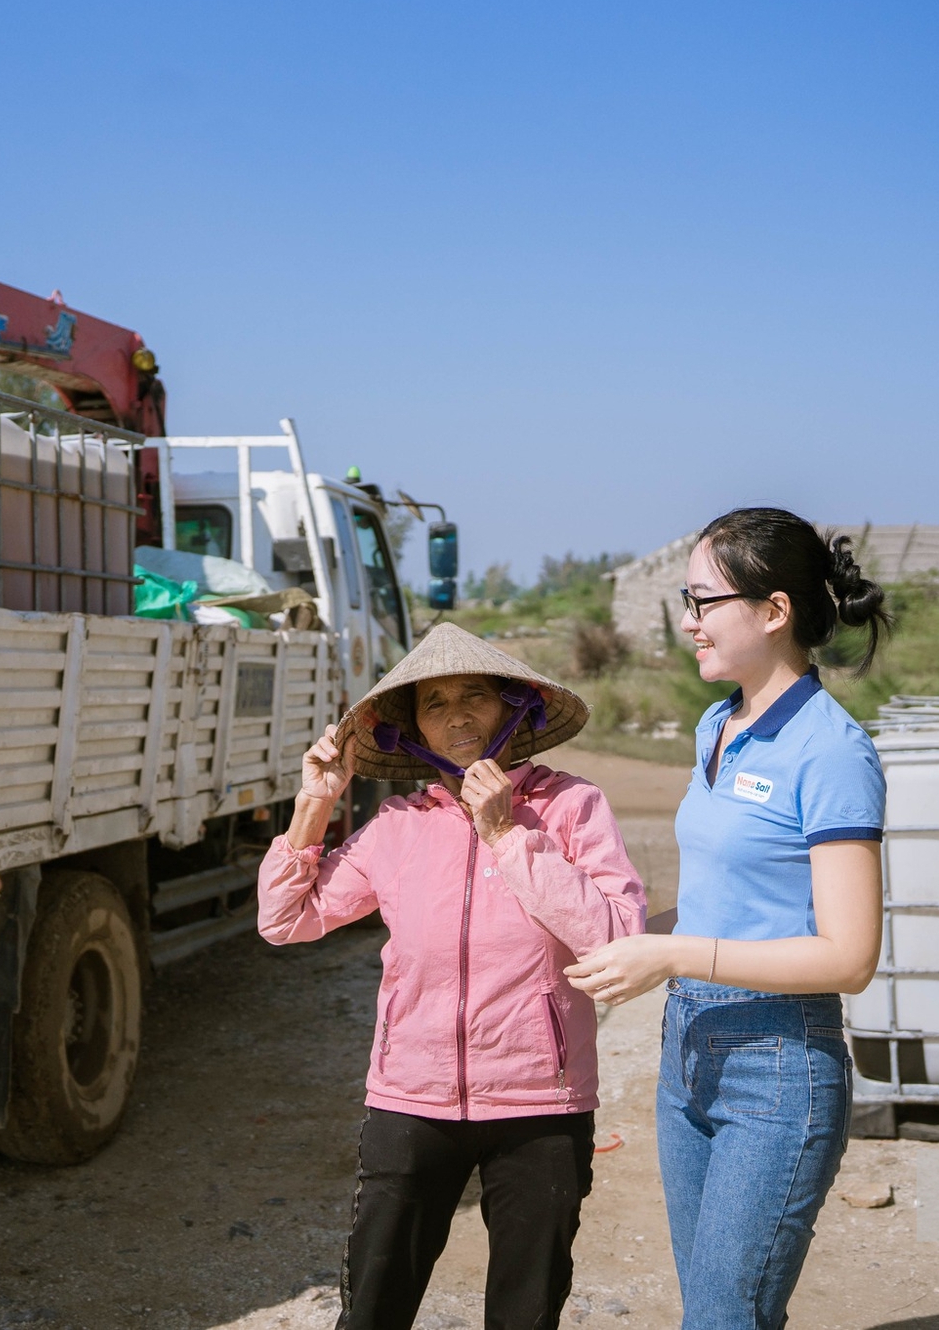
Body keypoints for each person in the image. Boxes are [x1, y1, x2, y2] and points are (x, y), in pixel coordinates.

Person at [257, 623, 647, 1330]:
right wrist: (314, 803)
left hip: (542, 1104)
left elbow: (616, 938)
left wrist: (507, 834)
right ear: (414, 729)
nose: (457, 714)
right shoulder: (398, 823)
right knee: (372, 1310)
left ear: (513, 709)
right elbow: (285, 918)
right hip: (411, 1101)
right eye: (435, 703)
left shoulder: (571, 807)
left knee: (524, 1315)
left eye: (475, 694)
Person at [565, 508, 890, 1330]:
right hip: (688, 1053)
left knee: (721, 1318)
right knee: (719, 1311)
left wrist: (672, 953)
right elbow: (719, 902)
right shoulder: (718, 725)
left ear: (774, 611)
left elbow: (849, 956)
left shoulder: (831, 751)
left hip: (776, 1071)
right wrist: (624, 934)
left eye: (703, 601)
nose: (686, 621)